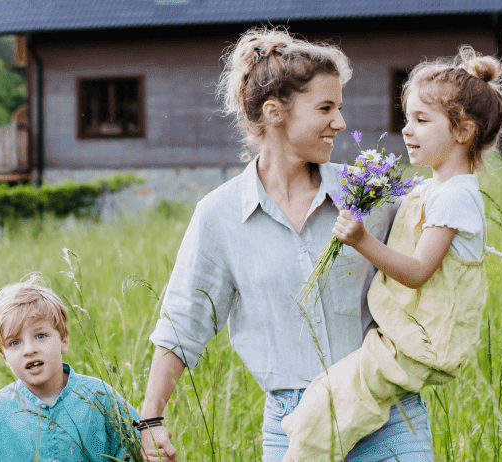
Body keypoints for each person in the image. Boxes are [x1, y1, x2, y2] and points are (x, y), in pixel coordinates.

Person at [139, 27, 428, 462]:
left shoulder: (369, 196)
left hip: (383, 410)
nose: (341, 123)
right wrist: (151, 417)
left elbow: (429, 251)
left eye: (340, 107)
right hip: (293, 424)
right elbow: (184, 323)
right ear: (275, 113)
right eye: (326, 108)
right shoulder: (220, 215)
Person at [280, 45, 502, 461]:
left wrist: (360, 240)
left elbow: (420, 270)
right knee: (326, 402)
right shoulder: (434, 191)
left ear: (463, 131)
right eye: (407, 118)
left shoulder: (455, 198)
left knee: (325, 411)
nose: (407, 130)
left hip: (415, 343)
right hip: (398, 339)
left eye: (422, 120)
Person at [0, 275, 140, 462]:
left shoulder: (100, 397)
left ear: (63, 340)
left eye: (41, 336)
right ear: (4, 356)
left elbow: (142, 446)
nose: (29, 350)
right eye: (15, 343)